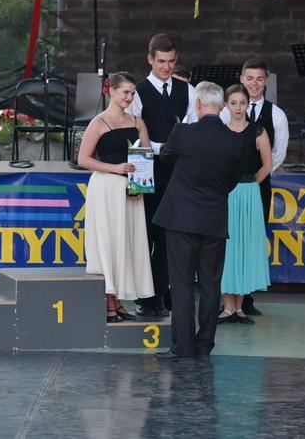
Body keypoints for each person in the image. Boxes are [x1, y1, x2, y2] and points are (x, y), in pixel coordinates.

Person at [153, 81, 243, 360]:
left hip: (181, 219)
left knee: (181, 285)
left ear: (199, 104)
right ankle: (204, 346)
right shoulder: (235, 140)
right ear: (223, 106)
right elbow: (233, 180)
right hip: (214, 221)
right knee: (210, 285)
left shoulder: (183, 132)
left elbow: (165, 156)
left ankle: (182, 347)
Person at [79, 72, 154, 322]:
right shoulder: (98, 123)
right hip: (106, 188)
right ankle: (110, 301)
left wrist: (139, 185)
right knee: (108, 243)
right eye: (125, 92)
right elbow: (83, 159)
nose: (129, 97)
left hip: (131, 190)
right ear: (111, 91)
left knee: (127, 243)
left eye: (133, 93)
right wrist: (116, 168)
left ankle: (118, 302)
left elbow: (145, 157)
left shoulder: (138, 122)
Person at [131, 34, 197, 317]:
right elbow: (133, 134)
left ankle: (162, 293)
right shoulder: (138, 91)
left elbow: (192, 128)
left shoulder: (188, 90)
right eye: (161, 61)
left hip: (177, 173)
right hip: (146, 171)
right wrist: (160, 147)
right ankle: (145, 297)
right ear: (150, 59)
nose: (167, 67)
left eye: (171, 61)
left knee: (171, 237)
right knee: (145, 235)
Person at [220, 59, 289, 316]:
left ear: (266, 81)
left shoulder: (276, 115)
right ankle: (227, 300)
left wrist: (251, 183)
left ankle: (245, 301)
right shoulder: (223, 118)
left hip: (256, 185)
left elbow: (277, 154)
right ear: (241, 79)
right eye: (250, 78)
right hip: (228, 189)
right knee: (228, 242)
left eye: (259, 79)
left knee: (250, 241)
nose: (254, 83)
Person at [218, 85, 272, 325]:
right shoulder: (221, 131)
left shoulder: (258, 131)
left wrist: (250, 184)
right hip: (226, 195)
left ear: (248, 104)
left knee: (246, 248)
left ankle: (239, 308)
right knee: (228, 249)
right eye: (233, 103)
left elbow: (267, 165)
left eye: (242, 103)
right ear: (226, 105)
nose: (238, 107)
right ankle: (227, 306)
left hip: (249, 194)